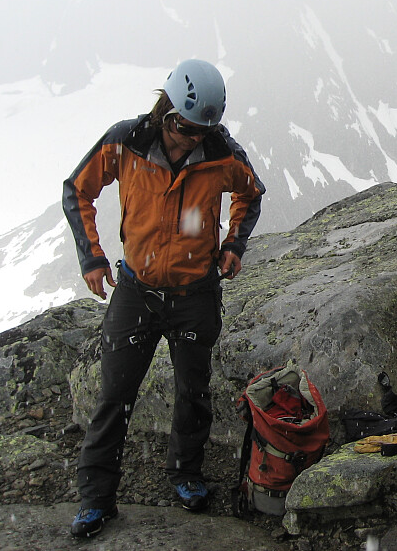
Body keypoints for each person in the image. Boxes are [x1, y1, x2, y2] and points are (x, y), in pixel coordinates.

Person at [62, 59, 265, 538]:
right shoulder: (126, 141)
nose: (190, 139)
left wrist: (234, 244)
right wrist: (92, 258)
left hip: (195, 292)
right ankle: (96, 499)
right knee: (114, 396)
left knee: (193, 393)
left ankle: (186, 474)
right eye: (183, 127)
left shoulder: (220, 152)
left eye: (200, 131)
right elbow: (77, 190)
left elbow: (250, 194)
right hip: (136, 291)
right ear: (166, 110)